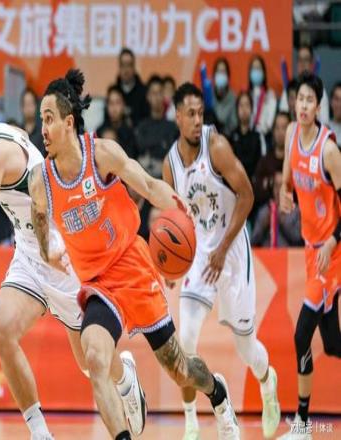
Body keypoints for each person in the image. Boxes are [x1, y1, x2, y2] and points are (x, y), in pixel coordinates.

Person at [0, 74, 144, 439]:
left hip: (60, 253)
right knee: (2, 331)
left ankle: (126, 379)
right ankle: (40, 433)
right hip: (30, 254)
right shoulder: (5, 134)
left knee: (89, 362)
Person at [29, 69, 240, 440]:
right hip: (98, 284)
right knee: (95, 358)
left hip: (132, 266)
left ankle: (218, 394)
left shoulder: (102, 154)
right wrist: (47, 251)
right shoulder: (40, 180)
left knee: (179, 369)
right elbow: (39, 215)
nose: (42, 129)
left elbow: (148, 185)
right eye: (40, 121)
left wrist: (181, 211)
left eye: (49, 120)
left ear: (68, 122)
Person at [163, 82, 280, 440]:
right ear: (178, 116)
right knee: (185, 341)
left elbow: (247, 195)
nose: (198, 120)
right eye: (191, 114)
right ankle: (191, 421)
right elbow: (175, 218)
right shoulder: (170, 165)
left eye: (201, 113)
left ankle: (267, 381)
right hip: (200, 254)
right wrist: (171, 265)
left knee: (246, 348)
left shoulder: (216, 147)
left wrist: (223, 247)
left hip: (232, 251)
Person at [278, 72, 341, 439]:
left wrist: (332, 241)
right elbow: (287, 181)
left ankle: (302, 425)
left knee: (301, 335)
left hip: (331, 255)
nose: (302, 105)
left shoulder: (329, 152)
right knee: (331, 344)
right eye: (299, 98)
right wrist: (284, 194)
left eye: (309, 101)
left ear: (318, 107)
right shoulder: (290, 134)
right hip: (309, 250)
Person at [136, 75, 179, 179]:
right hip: (145, 177)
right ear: (148, 97)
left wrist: (151, 146)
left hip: (166, 178)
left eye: (159, 93)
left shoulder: (172, 127)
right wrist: (161, 144)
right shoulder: (141, 126)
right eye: (153, 93)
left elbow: (173, 154)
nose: (156, 97)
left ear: (164, 95)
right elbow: (140, 149)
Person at [279, 44, 329, 124]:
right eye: (300, 59)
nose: (302, 63)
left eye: (306, 59)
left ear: (311, 63)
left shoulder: (320, 89)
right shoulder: (289, 88)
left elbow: (325, 122)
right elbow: (282, 120)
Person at [251, 172, 303, 247]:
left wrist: (281, 220)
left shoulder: (295, 211)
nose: (279, 190)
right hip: (266, 253)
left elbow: (298, 239)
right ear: (273, 188)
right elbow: (253, 240)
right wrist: (263, 225)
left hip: (288, 253)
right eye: (276, 186)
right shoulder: (265, 210)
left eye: (282, 186)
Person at [253, 112, 291, 210]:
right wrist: (271, 182)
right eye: (277, 128)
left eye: (284, 128)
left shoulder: (294, 161)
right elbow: (256, 190)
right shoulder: (265, 161)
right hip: (268, 210)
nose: (280, 132)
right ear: (273, 131)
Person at [97, 85, 138, 159]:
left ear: (123, 105)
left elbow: (131, 159)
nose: (114, 108)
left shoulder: (130, 132)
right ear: (107, 106)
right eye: (111, 103)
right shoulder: (100, 131)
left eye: (117, 103)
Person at [230, 91, 262, 183]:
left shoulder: (257, 136)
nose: (244, 109)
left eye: (247, 105)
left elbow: (259, 163)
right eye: (241, 105)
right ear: (237, 109)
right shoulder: (232, 136)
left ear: (252, 109)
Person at [114, 47, 149, 125]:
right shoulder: (114, 92)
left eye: (129, 65)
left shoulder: (144, 93)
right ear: (119, 67)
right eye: (123, 65)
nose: (126, 70)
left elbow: (147, 120)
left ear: (134, 67)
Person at [248, 55, 277, 145]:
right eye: (254, 69)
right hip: (248, 136)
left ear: (264, 72)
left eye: (258, 68)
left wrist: (259, 131)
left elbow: (269, 123)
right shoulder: (247, 95)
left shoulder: (270, 95)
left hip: (264, 138)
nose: (256, 71)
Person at [212, 57, 238, 137]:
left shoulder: (233, 97)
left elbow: (234, 123)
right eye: (218, 72)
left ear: (228, 76)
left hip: (227, 138)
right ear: (214, 75)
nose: (221, 75)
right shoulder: (208, 96)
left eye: (223, 72)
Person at [21, 88, 45, 156]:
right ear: (22, 107)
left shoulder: (43, 133)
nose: (28, 108)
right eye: (26, 104)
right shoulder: (18, 133)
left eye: (31, 104)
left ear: (36, 106)